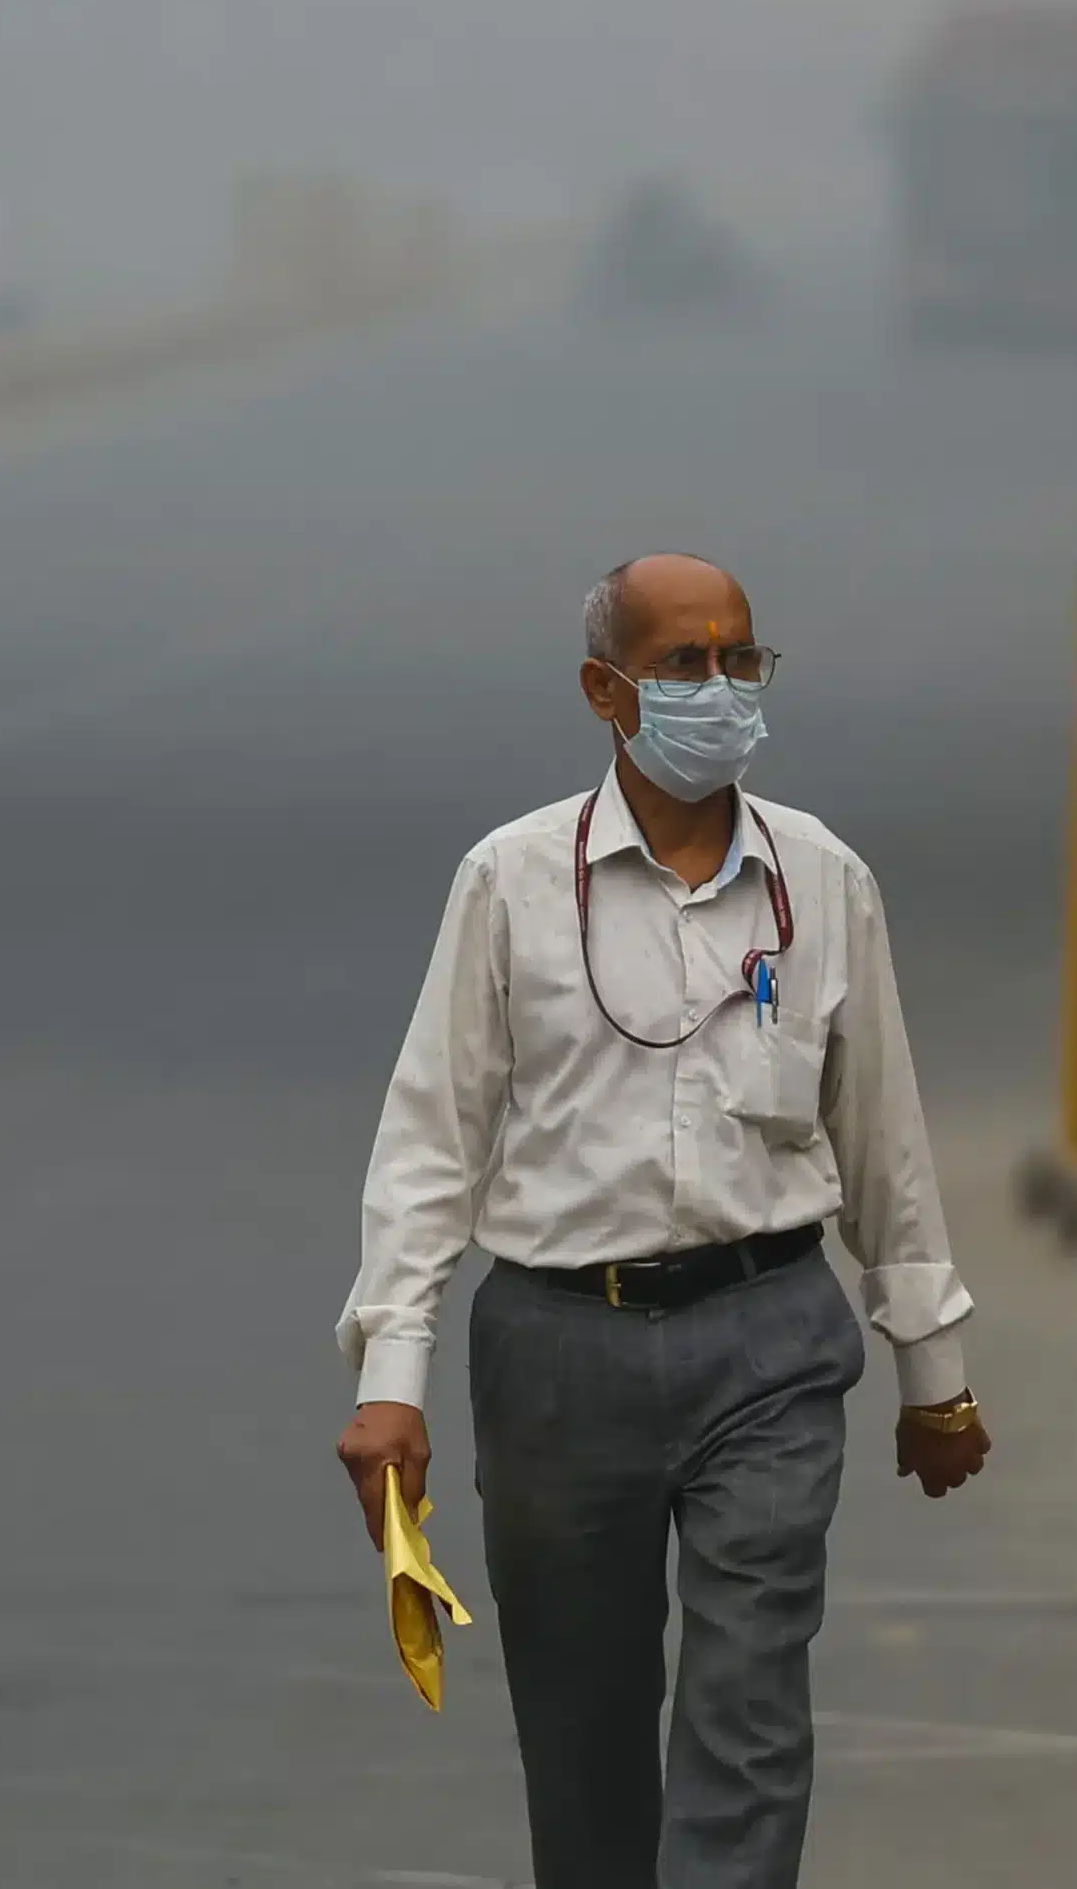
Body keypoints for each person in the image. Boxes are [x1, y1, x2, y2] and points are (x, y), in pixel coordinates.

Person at [335, 552, 989, 1889]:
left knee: (749, 1708)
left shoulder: (823, 882)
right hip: (560, 1348)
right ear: (605, 688)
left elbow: (884, 1135)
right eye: (683, 663)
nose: (718, 688)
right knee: (582, 1736)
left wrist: (936, 1372)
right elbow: (430, 1140)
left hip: (771, 1341)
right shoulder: (510, 881)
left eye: (738, 659)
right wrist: (391, 1377)